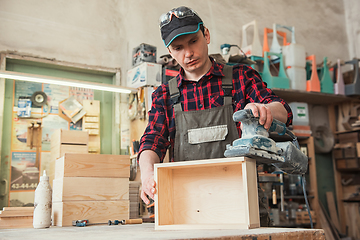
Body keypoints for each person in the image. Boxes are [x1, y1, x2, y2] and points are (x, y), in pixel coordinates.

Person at [138, 6, 293, 224]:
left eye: (193, 41)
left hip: (243, 205)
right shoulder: (164, 95)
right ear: (170, 52)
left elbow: (284, 111)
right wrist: (147, 175)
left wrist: (264, 109)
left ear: (206, 35)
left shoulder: (242, 77)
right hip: (187, 209)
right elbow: (151, 142)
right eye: (178, 48)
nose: (188, 53)